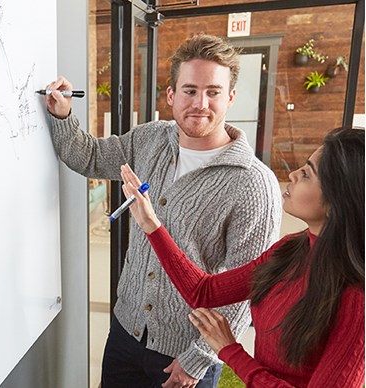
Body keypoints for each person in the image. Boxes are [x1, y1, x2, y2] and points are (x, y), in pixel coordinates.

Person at [43, 33, 282, 387]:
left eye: (213, 92)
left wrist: (199, 358)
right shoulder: (151, 138)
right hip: (125, 333)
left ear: (230, 98)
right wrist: (63, 115)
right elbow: (90, 156)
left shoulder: (253, 184)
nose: (200, 103)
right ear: (171, 95)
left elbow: (250, 287)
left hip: (184, 355)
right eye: (189, 90)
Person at [121, 126, 365, 387]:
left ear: (337, 200)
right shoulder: (291, 250)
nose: (292, 175)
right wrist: (151, 224)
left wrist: (230, 350)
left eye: (306, 174)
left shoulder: (357, 299)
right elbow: (203, 291)